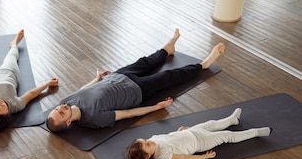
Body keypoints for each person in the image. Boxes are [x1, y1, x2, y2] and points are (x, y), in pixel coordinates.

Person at [46, 29, 225, 132]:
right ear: (68, 122)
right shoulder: (94, 119)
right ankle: (203, 65)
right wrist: (155, 108)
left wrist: (97, 79)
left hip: (118, 76)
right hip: (136, 91)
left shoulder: (65, 102)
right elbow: (126, 114)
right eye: (61, 113)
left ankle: (168, 48)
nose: (61, 108)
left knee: (145, 62)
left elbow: (82, 89)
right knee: (168, 77)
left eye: (57, 109)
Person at [125, 108, 271, 159]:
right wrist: (204, 157)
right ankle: (256, 132)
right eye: (147, 145)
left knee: (212, 123)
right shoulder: (164, 156)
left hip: (192, 132)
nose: (149, 141)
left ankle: (232, 120)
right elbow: (185, 158)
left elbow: (170, 137)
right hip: (200, 142)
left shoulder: (154, 139)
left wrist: (180, 131)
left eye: (145, 140)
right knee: (227, 135)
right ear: (147, 156)